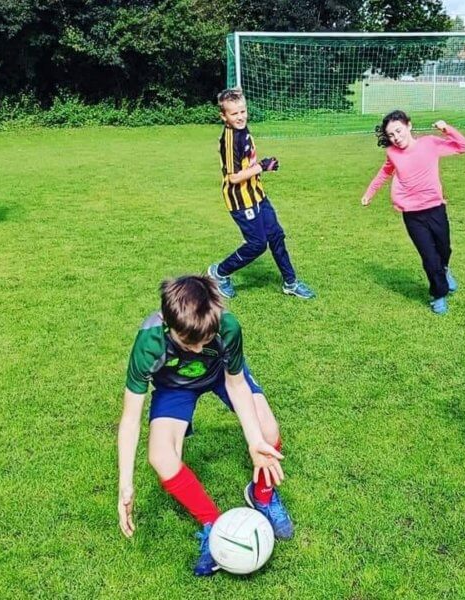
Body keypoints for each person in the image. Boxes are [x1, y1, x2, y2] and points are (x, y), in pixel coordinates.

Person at [116, 275, 295, 576]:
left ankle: (262, 496)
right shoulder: (149, 342)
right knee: (161, 456)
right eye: (190, 342)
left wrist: (254, 441)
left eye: (206, 339)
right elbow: (131, 418)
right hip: (175, 387)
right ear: (168, 323)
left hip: (221, 375)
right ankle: (214, 524)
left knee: (268, 431)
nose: (199, 349)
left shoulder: (227, 327)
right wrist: (125, 483)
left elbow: (237, 385)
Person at [207, 88, 315, 300]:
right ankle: (219, 273)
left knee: (276, 235)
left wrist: (263, 165)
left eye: (243, 111)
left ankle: (290, 282)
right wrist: (262, 167)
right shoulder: (230, 140)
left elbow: (247, 163)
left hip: (257, 194)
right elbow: (233, 177)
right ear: (224, 116)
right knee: (257, 244)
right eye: (234, 113)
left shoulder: (242, 129)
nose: (240, 117)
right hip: (241, 200)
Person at [360, 110, 465, 315]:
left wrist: (446, 129)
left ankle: (445, 271)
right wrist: (369, 193)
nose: (396, 138)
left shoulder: (429, 144)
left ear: (409, 125)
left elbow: (463, 147)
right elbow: (384, 173)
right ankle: (438, 294)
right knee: (429, 257)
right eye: (391, 135)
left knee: (444, 250)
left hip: (435, 208)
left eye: (398, 131)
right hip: (412, 214)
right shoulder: (392, 153)